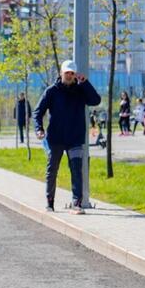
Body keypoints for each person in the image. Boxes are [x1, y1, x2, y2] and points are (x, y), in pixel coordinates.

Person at [34, 60, 101, 215]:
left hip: (75, 138)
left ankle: (76, 204)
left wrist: (86, 83)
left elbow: (95, 101)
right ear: (61, 73)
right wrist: (39, 129)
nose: (69, 76)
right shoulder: (51, 91)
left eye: (72, 73)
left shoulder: (80, 90)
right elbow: (38, 112)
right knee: (52, 170)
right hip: (55, 138)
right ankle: (50, 203)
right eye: (67, 73)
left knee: (76, 170)